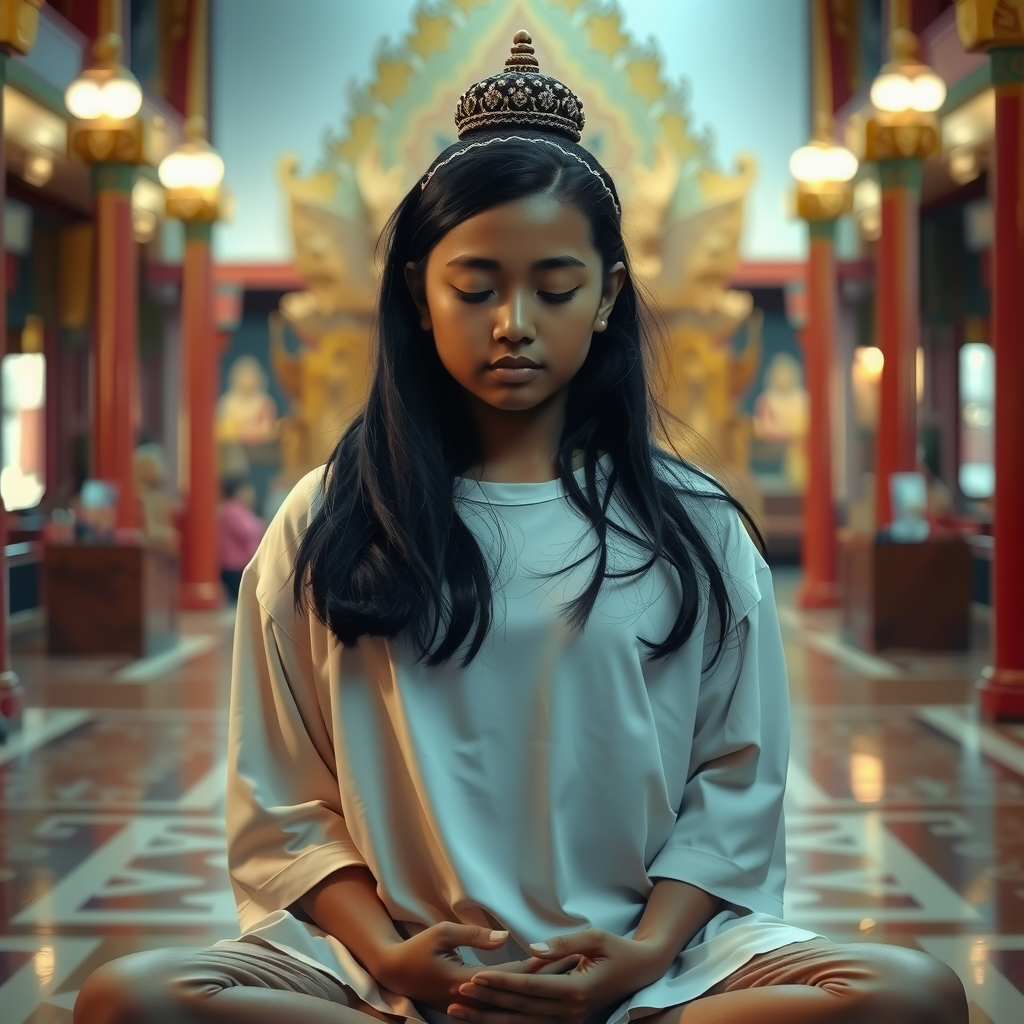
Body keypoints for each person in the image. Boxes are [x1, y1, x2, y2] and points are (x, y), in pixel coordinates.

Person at [75, 31, 967, 1024]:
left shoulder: (696, 528)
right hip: (391, 963)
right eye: (475, 287)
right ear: (418, 293)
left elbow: (733, 782)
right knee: (130, 1000)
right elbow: (286, 802)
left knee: (912, 994)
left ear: (606, 298)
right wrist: (398, 958)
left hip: (640, 961)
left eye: (553, 288)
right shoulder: (328, 517)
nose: (512, 322)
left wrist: (634, 956)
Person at [218, 476, 266, 600]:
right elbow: (245, 531)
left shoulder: (242, 509)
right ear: (237, 492)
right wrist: (261, 526)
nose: (251, 494)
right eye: (247, 490)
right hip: (233, 563)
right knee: (241, 596)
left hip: (242, 562)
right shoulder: (231, 509)